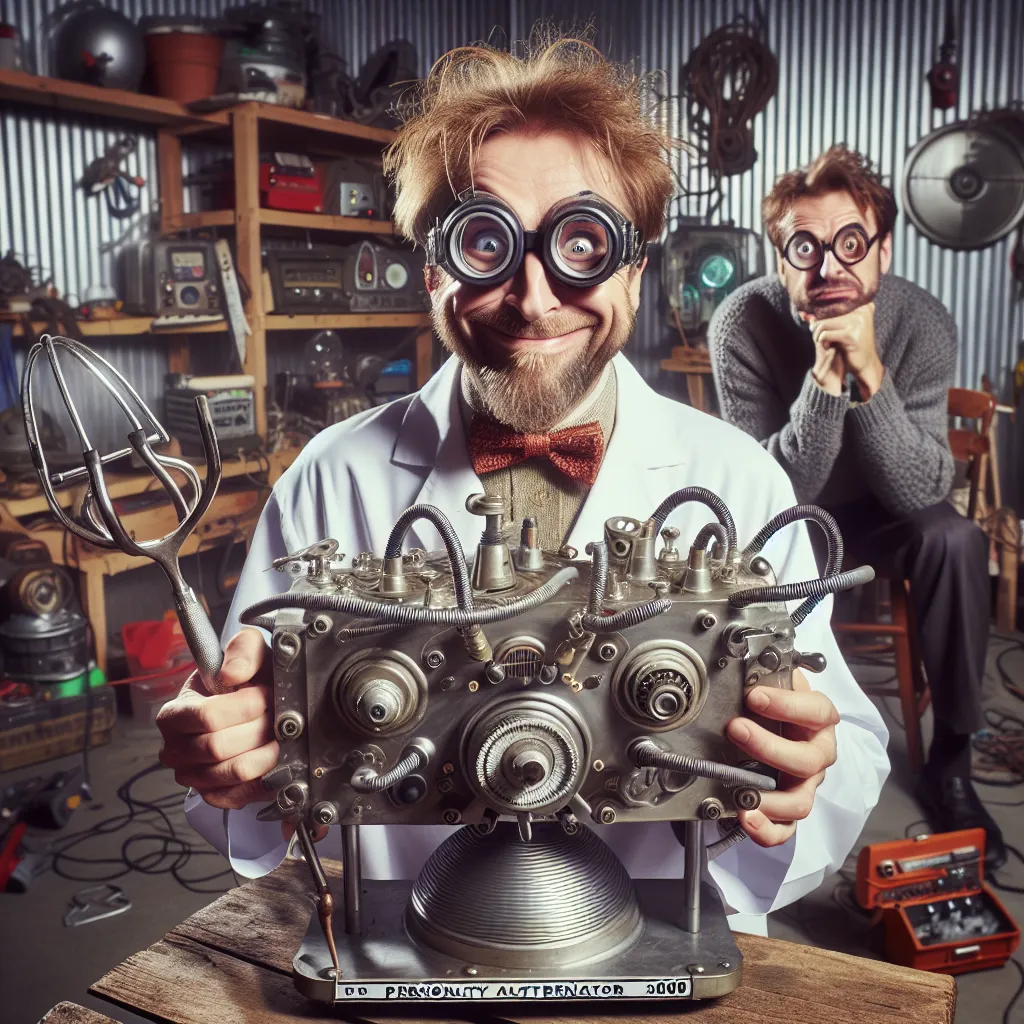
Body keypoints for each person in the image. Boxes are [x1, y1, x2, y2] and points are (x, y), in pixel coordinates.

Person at [156, 38, 889, 934]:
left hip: (663, 935)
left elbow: (846, 751)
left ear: (634, 265)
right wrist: (226, 752)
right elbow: (255, 773)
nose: (535, 297)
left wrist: (797, 779)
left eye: (583, 240)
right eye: (484, 242)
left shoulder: (736, 478)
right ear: (432, 271)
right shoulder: (331, 478)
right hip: (414, 934)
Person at [708, 144, 1004, 869]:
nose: (829, 268)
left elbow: (921, 488)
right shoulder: (739, 324)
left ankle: (953, 759)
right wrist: (825, 379)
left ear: (883, 249)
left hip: (890, 512)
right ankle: (761, 748)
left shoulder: (922, 321)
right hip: (797, 525)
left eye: (850, 243)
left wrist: (870, 372)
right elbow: (775, 496)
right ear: (779, 257)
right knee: (732, 563)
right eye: (804, 247)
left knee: (958, 539)